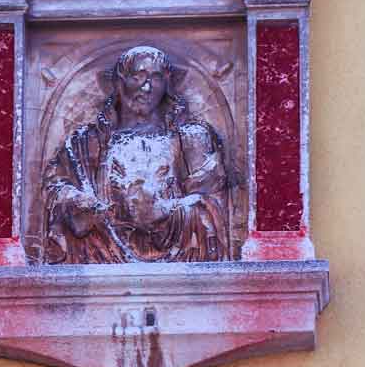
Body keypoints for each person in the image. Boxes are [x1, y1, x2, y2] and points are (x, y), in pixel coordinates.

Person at [43, 44, 230, 263]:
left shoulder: (192, 140)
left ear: (167, 84)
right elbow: (54, 189)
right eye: (137, 76)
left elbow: (212, 205)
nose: (147, 87)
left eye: (156, 78)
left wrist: (166, 211)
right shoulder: (84, 144)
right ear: (119, 83)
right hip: (102, 257)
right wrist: (83, 206)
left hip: (182, 266)